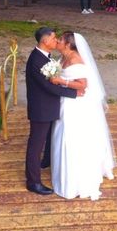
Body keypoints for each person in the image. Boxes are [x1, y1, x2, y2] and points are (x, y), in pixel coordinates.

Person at [49, 31, 115, 200]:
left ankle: (75, 180)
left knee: (70, 137)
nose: (57, 41)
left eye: (61, 40)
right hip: (65, 100)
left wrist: (60, 81)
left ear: (69, 44)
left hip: (75, 105)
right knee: (60, 134)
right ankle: (62, 174)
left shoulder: (75, 61)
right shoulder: (64, 57)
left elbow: (82, 86)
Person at [24, 27, 85, 195]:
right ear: (45, 41)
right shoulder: (37, 60)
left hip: (48, 106)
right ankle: (33, 181)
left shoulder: (45, 56)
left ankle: (47, 161)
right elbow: (48, 86)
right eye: (53, 38)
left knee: (49, 137)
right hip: (41, 109)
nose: (56, 41)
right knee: (35, 144)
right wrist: (73, 93)